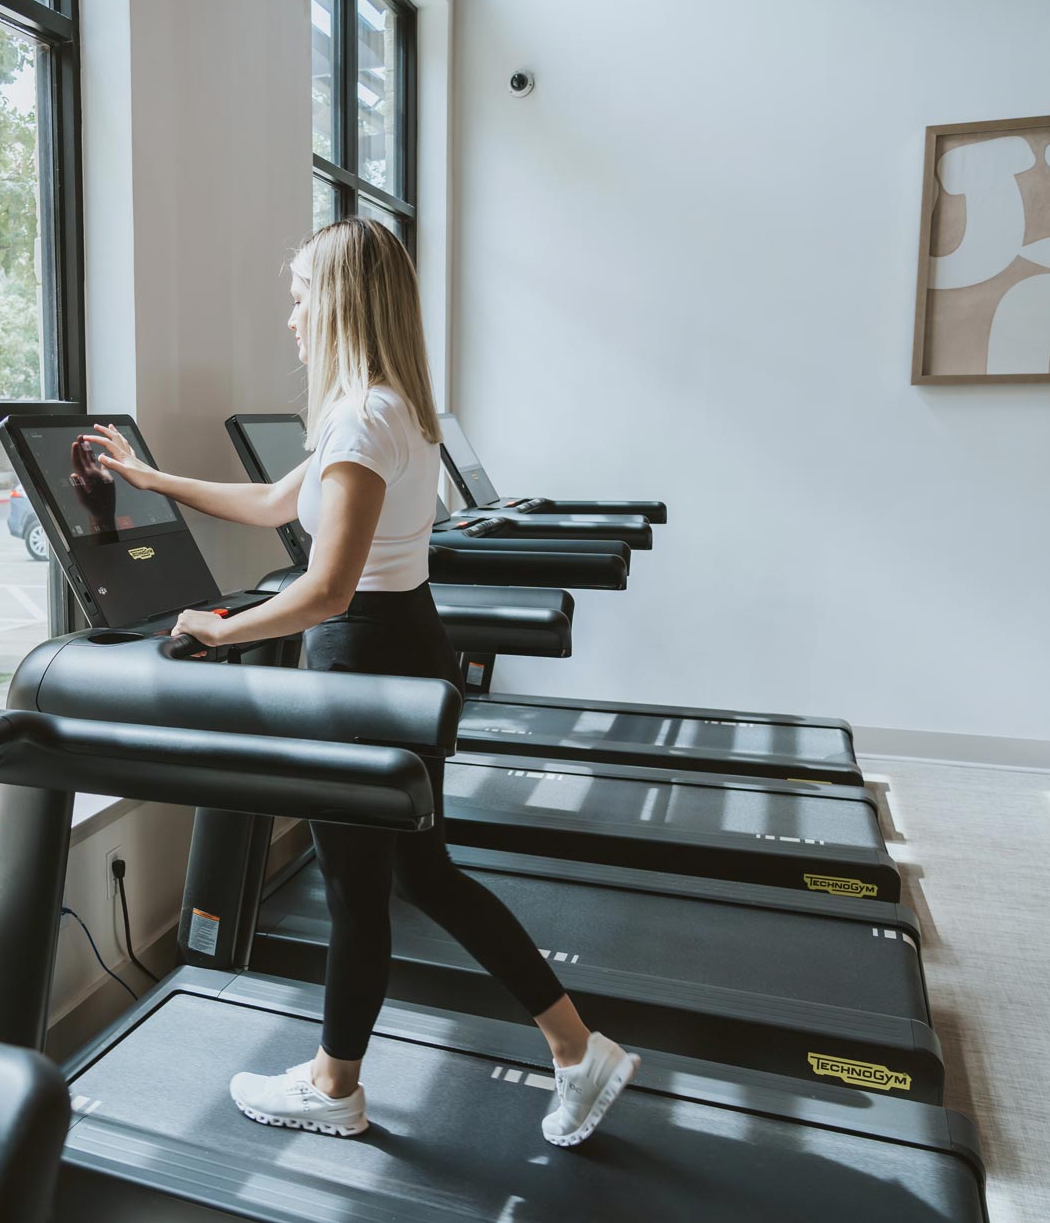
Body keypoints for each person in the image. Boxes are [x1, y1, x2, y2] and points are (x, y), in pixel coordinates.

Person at [80, 218, 638, 1148]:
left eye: (301, 292)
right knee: (421, 870)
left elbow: (326, 587)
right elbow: (269, 505)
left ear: (339, 298)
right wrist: (147, 476)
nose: (291, 312)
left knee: (356, 889)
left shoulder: (359, 416)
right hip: (403, 638)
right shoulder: (390, 407)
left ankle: (338, 1083)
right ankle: (576, 1049)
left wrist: (219, 629)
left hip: (361, 652)